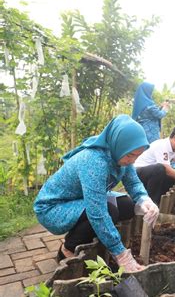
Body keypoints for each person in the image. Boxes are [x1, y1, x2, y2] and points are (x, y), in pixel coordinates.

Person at [34, 115, 159, 272]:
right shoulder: (94, 161)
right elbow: (97, 212)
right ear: (118, 144)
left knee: (127, 206)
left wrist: (143, 199)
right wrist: (121, 254)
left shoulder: (118, 152)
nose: (133, 160)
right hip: (53, 207)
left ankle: (100, 235)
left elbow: (133, 182)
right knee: (108, 211)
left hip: (78, 198)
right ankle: (67, 249)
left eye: (137, 155)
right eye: (130, 155)